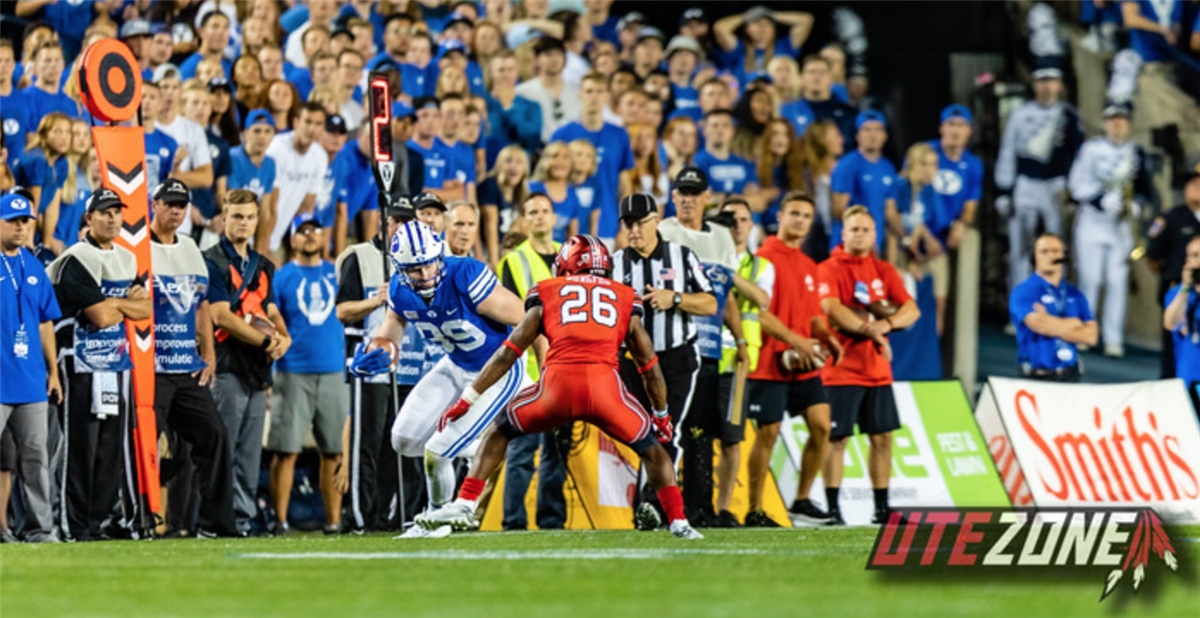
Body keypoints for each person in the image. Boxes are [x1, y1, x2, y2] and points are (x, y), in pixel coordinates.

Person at [415, 233, 703, 541]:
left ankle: (465, 504)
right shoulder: (623, 295)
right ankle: (679, 521)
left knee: (501, 429)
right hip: (606, 391)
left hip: (555, 389)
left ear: (564, 266)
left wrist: (469, 398)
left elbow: (509, 351)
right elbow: (649, 366)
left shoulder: (548, 291)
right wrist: (660, 414)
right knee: (652, 449)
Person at [351, 220, 534, 538]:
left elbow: (529, 319)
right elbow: (390, 332)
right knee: (404, 440)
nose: (425, 275)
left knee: (438, 450)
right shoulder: (399, 289)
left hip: (499, 370)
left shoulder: (465, 274)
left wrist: (547, 370)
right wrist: (377, 350)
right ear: (400, 269)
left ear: (439, 254)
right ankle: (478, 446)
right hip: (456, 364)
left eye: (428, 265)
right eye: (414, 270)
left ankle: (436, 517)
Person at [46, 188, 149, 541]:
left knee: (108, 447)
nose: (112, 218)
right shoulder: (76, 259)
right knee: (80, 445)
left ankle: (99, 522)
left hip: (114, 361)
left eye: (117, 212)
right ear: (88, 219)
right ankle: (72, 525)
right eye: (104, 212)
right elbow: (103, 317)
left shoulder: (128, 257)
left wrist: (115, 305)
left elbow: (148, 310)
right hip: (78, 359)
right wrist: (122, 304)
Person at [612, 193, 718, 528]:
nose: (633, 230)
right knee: (643, 433)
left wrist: (673, 297)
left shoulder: (681, 256)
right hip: (633, 362)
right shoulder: (614, 264)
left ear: (656, 220)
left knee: (665, 430)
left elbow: (710, 303)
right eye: (627, 224)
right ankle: (650, 505)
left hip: (676, 358)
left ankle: (649, 503)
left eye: (639, 223)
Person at [743, 193, 842, 527]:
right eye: (794, 213)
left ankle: (800, 500)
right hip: (770, 360)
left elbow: (813, 316)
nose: (800, 220)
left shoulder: (808, 265)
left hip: (802, 363)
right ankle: (754, 508)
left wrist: (828, 338)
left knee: (822, 426)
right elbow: (759, 313)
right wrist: (798, 341)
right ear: (780, 216)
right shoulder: (762, 259)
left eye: (806, 215)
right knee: (768, 433)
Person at [819, 206, 920, 525]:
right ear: (843, 233)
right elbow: (832, 309)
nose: (860, 234)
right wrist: (870, 330)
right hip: (841, 369)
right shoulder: (829, 268)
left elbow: (912, 310)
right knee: (837, 439)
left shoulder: (884, 270)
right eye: (854, 229)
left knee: (883, 438)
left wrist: (885, 326)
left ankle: (882, 508)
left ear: (874, 235)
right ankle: (833, 509)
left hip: (876, 371)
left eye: (866, 229)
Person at [148, 178, 237, 537]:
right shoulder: (139, 248)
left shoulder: (191, 250)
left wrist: (209, 354)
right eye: (169, 203)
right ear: (154, 205)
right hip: (151, 368)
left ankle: (216, 523)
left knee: (214, 436)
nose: (176, 210)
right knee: (142, 447)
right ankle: (135, 519)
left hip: (186, 366)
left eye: (181, 205)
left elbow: (202, 306)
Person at [203, 189, 290, 536]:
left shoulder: (264, 265)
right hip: (225, 366)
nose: (243, 222)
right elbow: (221, 316)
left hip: (256, 369)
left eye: (249, 217)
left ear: (257, 220)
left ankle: (241, 519)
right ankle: (214, 520)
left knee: (251, 452)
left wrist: (284, 337)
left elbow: (269, 309)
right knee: (224, 447)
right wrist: (269, 340)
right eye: (236, 216)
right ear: (224, 218)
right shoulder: (211, 261)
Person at [493, 193, 566, 531]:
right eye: (531, 212)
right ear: (523, 220)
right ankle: (513, 523)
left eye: (544, 211)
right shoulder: (513, 261)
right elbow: (512, 320)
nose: (539, 217)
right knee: (522, 451)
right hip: (527, 373)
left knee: (557, 451)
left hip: (566, 368)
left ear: (554, 217)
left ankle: (551, 520)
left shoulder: (572, 256)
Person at [269, 214, 346, 535]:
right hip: (292, 372)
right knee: (286, 450)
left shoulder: (338, 273)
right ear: (292, 240)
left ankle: (334, 521)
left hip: (334, 372)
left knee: (334, 451)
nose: (310, 235)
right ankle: (280, 521)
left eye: (315, 229)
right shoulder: (281, 277)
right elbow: (272, 323)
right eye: (302, 231)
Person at [1067, 101, 1152, 358]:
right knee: (1090, 280)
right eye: (1112, 119)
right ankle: (1084, 332)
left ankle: (1113, 338)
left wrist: (1136, 205)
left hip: (1120, 228)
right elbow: (1076, 184)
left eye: (1122, 120)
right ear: (1105, 123)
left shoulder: (1136, 152)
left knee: (1117, 283)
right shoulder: (1091, 149)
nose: (1117, 124)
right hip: (1092, 223)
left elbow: (1145, 189)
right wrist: (1099, 200)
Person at [0, 192, 61, 543]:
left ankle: (41, 529)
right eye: (12, 220)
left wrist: (53, 373)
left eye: (25, 221)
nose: (21, 227)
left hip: (31, 381)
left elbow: (44, 324)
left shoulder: (34, 266)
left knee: (36, 459)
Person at [994, 60, 1084, 297]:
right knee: (1021, 249)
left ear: (1060, 85)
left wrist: (1074, 193)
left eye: (1051, 81)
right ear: (1034, 85)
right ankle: (1020, 307)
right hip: (1026, 183)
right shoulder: (1020, 115)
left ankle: (1055, 302)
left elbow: (1078, 156)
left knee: (1058, 246)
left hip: (1056, 186)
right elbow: (1008, 151)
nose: (1046, 87)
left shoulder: (1069, 116)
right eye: (1041, 81)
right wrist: (1004, 189)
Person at [550, 71, 634, 246]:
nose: (594, 97)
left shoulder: (619, 135)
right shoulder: (562, 134)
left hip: (608, 228)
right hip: (566, 230)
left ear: (606, 96)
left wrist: (625, 228)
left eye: (599, 91)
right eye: (589, 91)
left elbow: (625, 186)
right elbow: (551, 181)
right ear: (580, 95)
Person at [1009, 233, 1098, 381]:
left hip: (1071, 374)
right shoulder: (1024, 291)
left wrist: (1051, 323)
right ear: (1034, 256)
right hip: (1037, 375)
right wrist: (1074, 324)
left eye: (1055, 251)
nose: (1050, 256)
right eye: (1044, 252)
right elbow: (1039, 325)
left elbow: (1090, 336)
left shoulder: (1075, 294)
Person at [1148, 161, 1200, 378]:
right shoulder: (1171, 218)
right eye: (1193, 183)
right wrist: (1172, 277)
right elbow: (1153, 255)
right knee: (1173, 341)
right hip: (1178, 288)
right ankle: (1170, 387)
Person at [265, 102, 329, 253]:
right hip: (256, 235)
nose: (312, 128)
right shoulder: (277, 148)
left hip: (278, 240)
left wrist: (298, 251)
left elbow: (306, 208)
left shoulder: (320, 156)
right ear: (296, 122)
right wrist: (263, 248)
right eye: (307, 122)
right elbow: (269, 204)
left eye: (318, 124)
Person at [830, 110, 895, 253]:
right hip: (847, 247)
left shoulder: (888, 167)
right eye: (867, 129)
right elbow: (838, 209)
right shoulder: (847, 165)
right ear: (858, 135)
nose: (873, 135)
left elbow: (890, 211)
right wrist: (863, 237)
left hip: (874, 245)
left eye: (877, 129)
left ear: (885, 136)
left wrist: (905, 238)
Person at [928, 105, 983, 254]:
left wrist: (961, 225)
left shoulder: (973, 164)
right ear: (941, 128)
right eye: (951, 124)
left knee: (971, 237)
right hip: (921, 227)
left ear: (969, 130)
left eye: (961, 125)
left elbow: (971, 205)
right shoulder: (925, 152)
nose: (955, 131)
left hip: (948, 232)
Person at [712, 6, 812, 85]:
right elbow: (720, 28)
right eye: (756, 22)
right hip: (743, 102)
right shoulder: (739, 49)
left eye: (768, 23)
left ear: (774, 29)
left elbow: (806, 20)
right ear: (747, 29)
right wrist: (746, 16)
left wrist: (773, 15)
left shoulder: (785, 47)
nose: (762, 27)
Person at [516, 36, 581, 145]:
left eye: (558, 54)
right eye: (548, 54)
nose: (554, 59)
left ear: (565, 59)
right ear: (536, 60)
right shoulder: (522, 92)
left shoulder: (578, 93)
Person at [1162, 236, 1200, 413]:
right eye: (1195, 255)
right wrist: (1186, 287)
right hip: (1188, 383)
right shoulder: (1177, 294)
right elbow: (1170, 323)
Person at [478, 145, 530, 266]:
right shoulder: (489, 185)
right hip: (488, 251)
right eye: (508, 161)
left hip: (507, 250)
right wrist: (495, 263)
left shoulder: (522, 193)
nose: (513, 166)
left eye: (519, 162)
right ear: (499, 165)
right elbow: (490, 227)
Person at [528, 142, 582, 243]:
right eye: (555, 156)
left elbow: (573, 236)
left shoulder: (573, 195)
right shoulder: (531, 188)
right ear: (545, 161)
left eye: (565, 157)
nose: (560, 162)